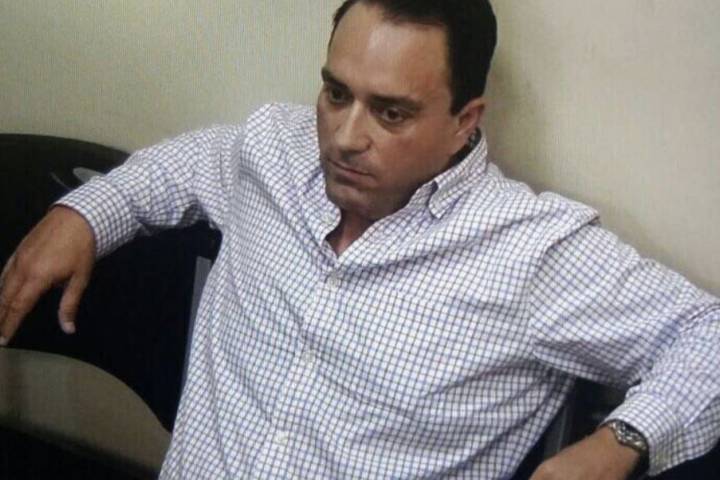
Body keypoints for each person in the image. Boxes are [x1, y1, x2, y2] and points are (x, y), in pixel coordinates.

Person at [1, 0, 719, 478]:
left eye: (391, 113)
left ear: (465, 122)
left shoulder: (530, 252)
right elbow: (179, 168)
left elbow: (707, 337)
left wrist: (619, 445)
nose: (344, 138)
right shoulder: (272, 152)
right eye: (336, 93)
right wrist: (86, 212)